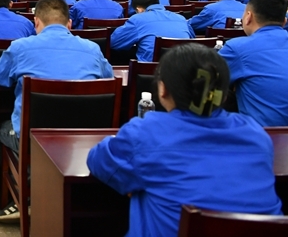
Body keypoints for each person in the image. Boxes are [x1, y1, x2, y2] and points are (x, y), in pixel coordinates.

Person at [87, 45, 282, 237]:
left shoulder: (146, 133)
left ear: (163, 89)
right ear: (223, 93)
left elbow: (98, 160)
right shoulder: (256, 135)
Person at [0, 0, 112, 222]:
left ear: (36, 22)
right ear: (69, 24)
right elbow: (108, 80)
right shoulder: (93, 49)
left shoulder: (20, 47)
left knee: (3, 128)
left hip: (33, 137)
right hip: (83, 139)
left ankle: (25, 198)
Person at [219, 0, 288, 127]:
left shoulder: (238, 48)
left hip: (263, 135)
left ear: (248, 17)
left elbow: (206, 79)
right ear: (284, 22)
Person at [111, 0, 194, 63]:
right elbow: (192, 40)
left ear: (139, 9)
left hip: (150, 73)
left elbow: (114, 43)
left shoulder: (137, 19)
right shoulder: (181, 18)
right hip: (184, 69)